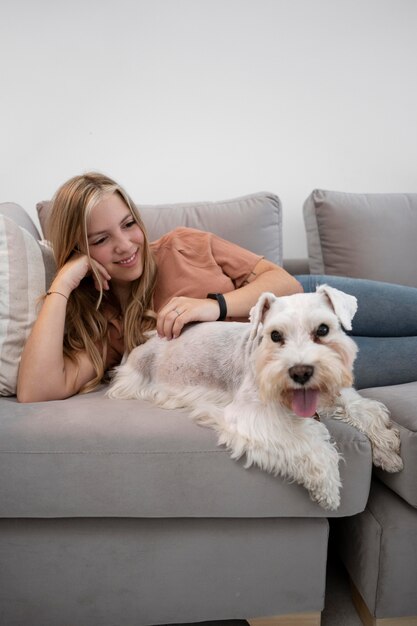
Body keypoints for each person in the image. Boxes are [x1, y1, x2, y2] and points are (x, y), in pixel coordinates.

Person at [16, 172, 302, 403]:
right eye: (101, 240)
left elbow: (289, 285)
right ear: (79, 250)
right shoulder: (106, 325)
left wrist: (213, 306)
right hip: (284, 352)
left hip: (302, 308)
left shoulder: (183, 245)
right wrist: (63, 282)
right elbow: (36, 391)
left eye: (128, 224)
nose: (126, 246)